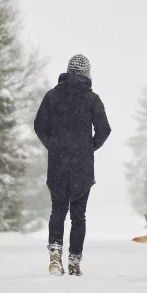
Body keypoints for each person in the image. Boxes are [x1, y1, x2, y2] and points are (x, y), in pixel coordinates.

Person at [34, 54, 111, 276]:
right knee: (79, 215)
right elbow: (104, 129)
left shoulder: (52, 96)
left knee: (57, 210)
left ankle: (55, 254)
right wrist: (88, 148)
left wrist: (53, 145)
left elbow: (39, 125)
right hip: (82, 167)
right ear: (87, 74)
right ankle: (75, 261)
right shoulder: (92, 99)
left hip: (57, 164)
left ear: (67, 72)